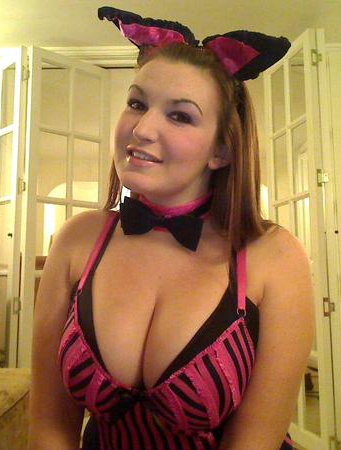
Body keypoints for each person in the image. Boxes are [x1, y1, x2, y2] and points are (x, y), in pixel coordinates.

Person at [29, 7, 315, 450]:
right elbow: (49, 429)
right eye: (137, 104)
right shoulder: (77, 241)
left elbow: (256, 440)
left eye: (180, 116)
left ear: (222, 150)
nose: (142, 129)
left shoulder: (273, 257)